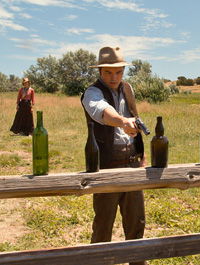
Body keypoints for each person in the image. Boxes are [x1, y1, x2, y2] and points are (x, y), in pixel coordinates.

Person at [80, 46, 147, 265]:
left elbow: (134, 119)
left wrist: (141, 158)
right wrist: (121, 121)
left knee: (136, 225)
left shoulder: (128, 89)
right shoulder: (92, 92)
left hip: (132, 165)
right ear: (99, 71)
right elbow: (101, 110)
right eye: (108, 72)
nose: (114, 77)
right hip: (107, 167)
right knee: (103, 229)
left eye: (118, 72)